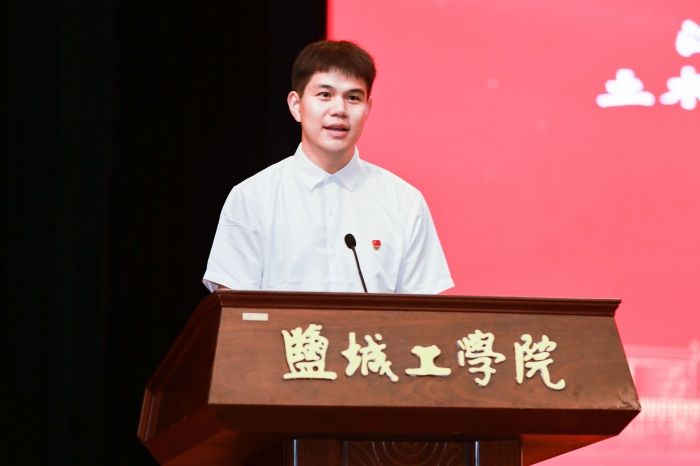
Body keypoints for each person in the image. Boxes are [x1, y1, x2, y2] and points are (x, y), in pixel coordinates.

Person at [203, 40, 453, 294]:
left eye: (353, 98)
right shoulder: (252, 198)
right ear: (296, 105)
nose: (339, 110)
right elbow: (232, 307)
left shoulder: (404, 202)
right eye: (325, 95)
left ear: (368, 108)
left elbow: (424, 311)